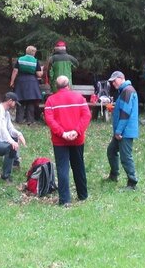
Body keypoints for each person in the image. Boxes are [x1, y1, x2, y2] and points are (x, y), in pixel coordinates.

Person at [43, 75, 91, 206]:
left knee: (62, 168)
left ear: (56, 86)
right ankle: (83, 195)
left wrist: (62, 133)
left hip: (59, 141)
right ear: (68, 85)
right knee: (79, 166)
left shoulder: (51, 101)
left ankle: (65, 200)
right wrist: (77, 131)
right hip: (77, 139)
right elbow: (86, 115)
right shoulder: (79, 98)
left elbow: (50, 120)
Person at [106, 71, 139, 190]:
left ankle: (132, 182)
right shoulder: (124, 91)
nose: (113, 83)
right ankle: (114, 175)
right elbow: (124, 108)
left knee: (125, 157)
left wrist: (118, 131)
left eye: (114, 81)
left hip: (125, 131)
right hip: (122, 130)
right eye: (112, 82)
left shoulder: (127, 91)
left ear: (121, 78)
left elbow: (125, 113)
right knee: (111, 151)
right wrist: (115, 108)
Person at [9, 45, 43, 124]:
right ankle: (30, 120)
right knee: (30, 101)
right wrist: (41, 70)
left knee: (20, 100)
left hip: (21, 81)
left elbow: (15, 71)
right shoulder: (35, 61)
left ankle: (19, 119)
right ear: (33, 52)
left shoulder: (20, 59)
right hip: (32, 82)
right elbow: (39, 75)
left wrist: (12, 81)